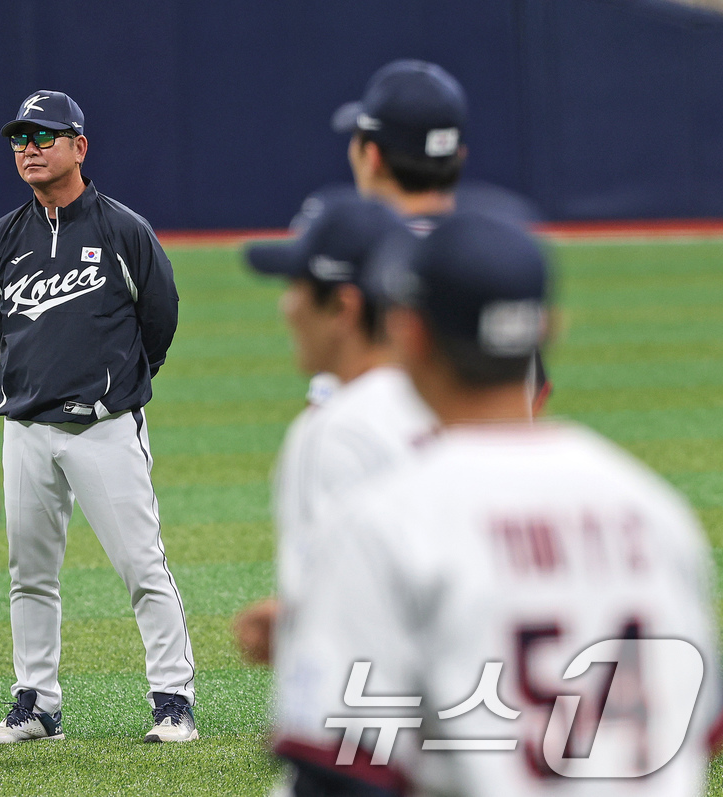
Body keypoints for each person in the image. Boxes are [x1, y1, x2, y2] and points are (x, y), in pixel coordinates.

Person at [272, 212, 720, 795]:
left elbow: (339, 772)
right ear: (548, 331)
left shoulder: (391, 520)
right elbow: (696, 730)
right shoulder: (654, 512)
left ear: (409, 333)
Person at [0, 90, 195, 744]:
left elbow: (161, 318)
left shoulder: (123, 230)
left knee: (141, 566)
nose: (30, 149)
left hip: (104, 425)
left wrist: (119, 381)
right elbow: (3, 322)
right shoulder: (3, 240)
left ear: (79, 146)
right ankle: (36, 702)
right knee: (29, 575)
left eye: (44, 136)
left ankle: (173, 700)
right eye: (21, 138)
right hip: (26, 427)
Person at [232, 197, 436, 677]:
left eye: (297, 288)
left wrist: (301, 628)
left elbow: (350, 613)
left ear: (343, 307)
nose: (288, 307)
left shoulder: (336, 430)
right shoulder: (444, 405)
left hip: (370, 720)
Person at [331, 59, 551, 414]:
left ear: (371, 156)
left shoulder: (359, 256)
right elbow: (529, 399)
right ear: (458, 155)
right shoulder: (498, 254)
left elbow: (336, 414)